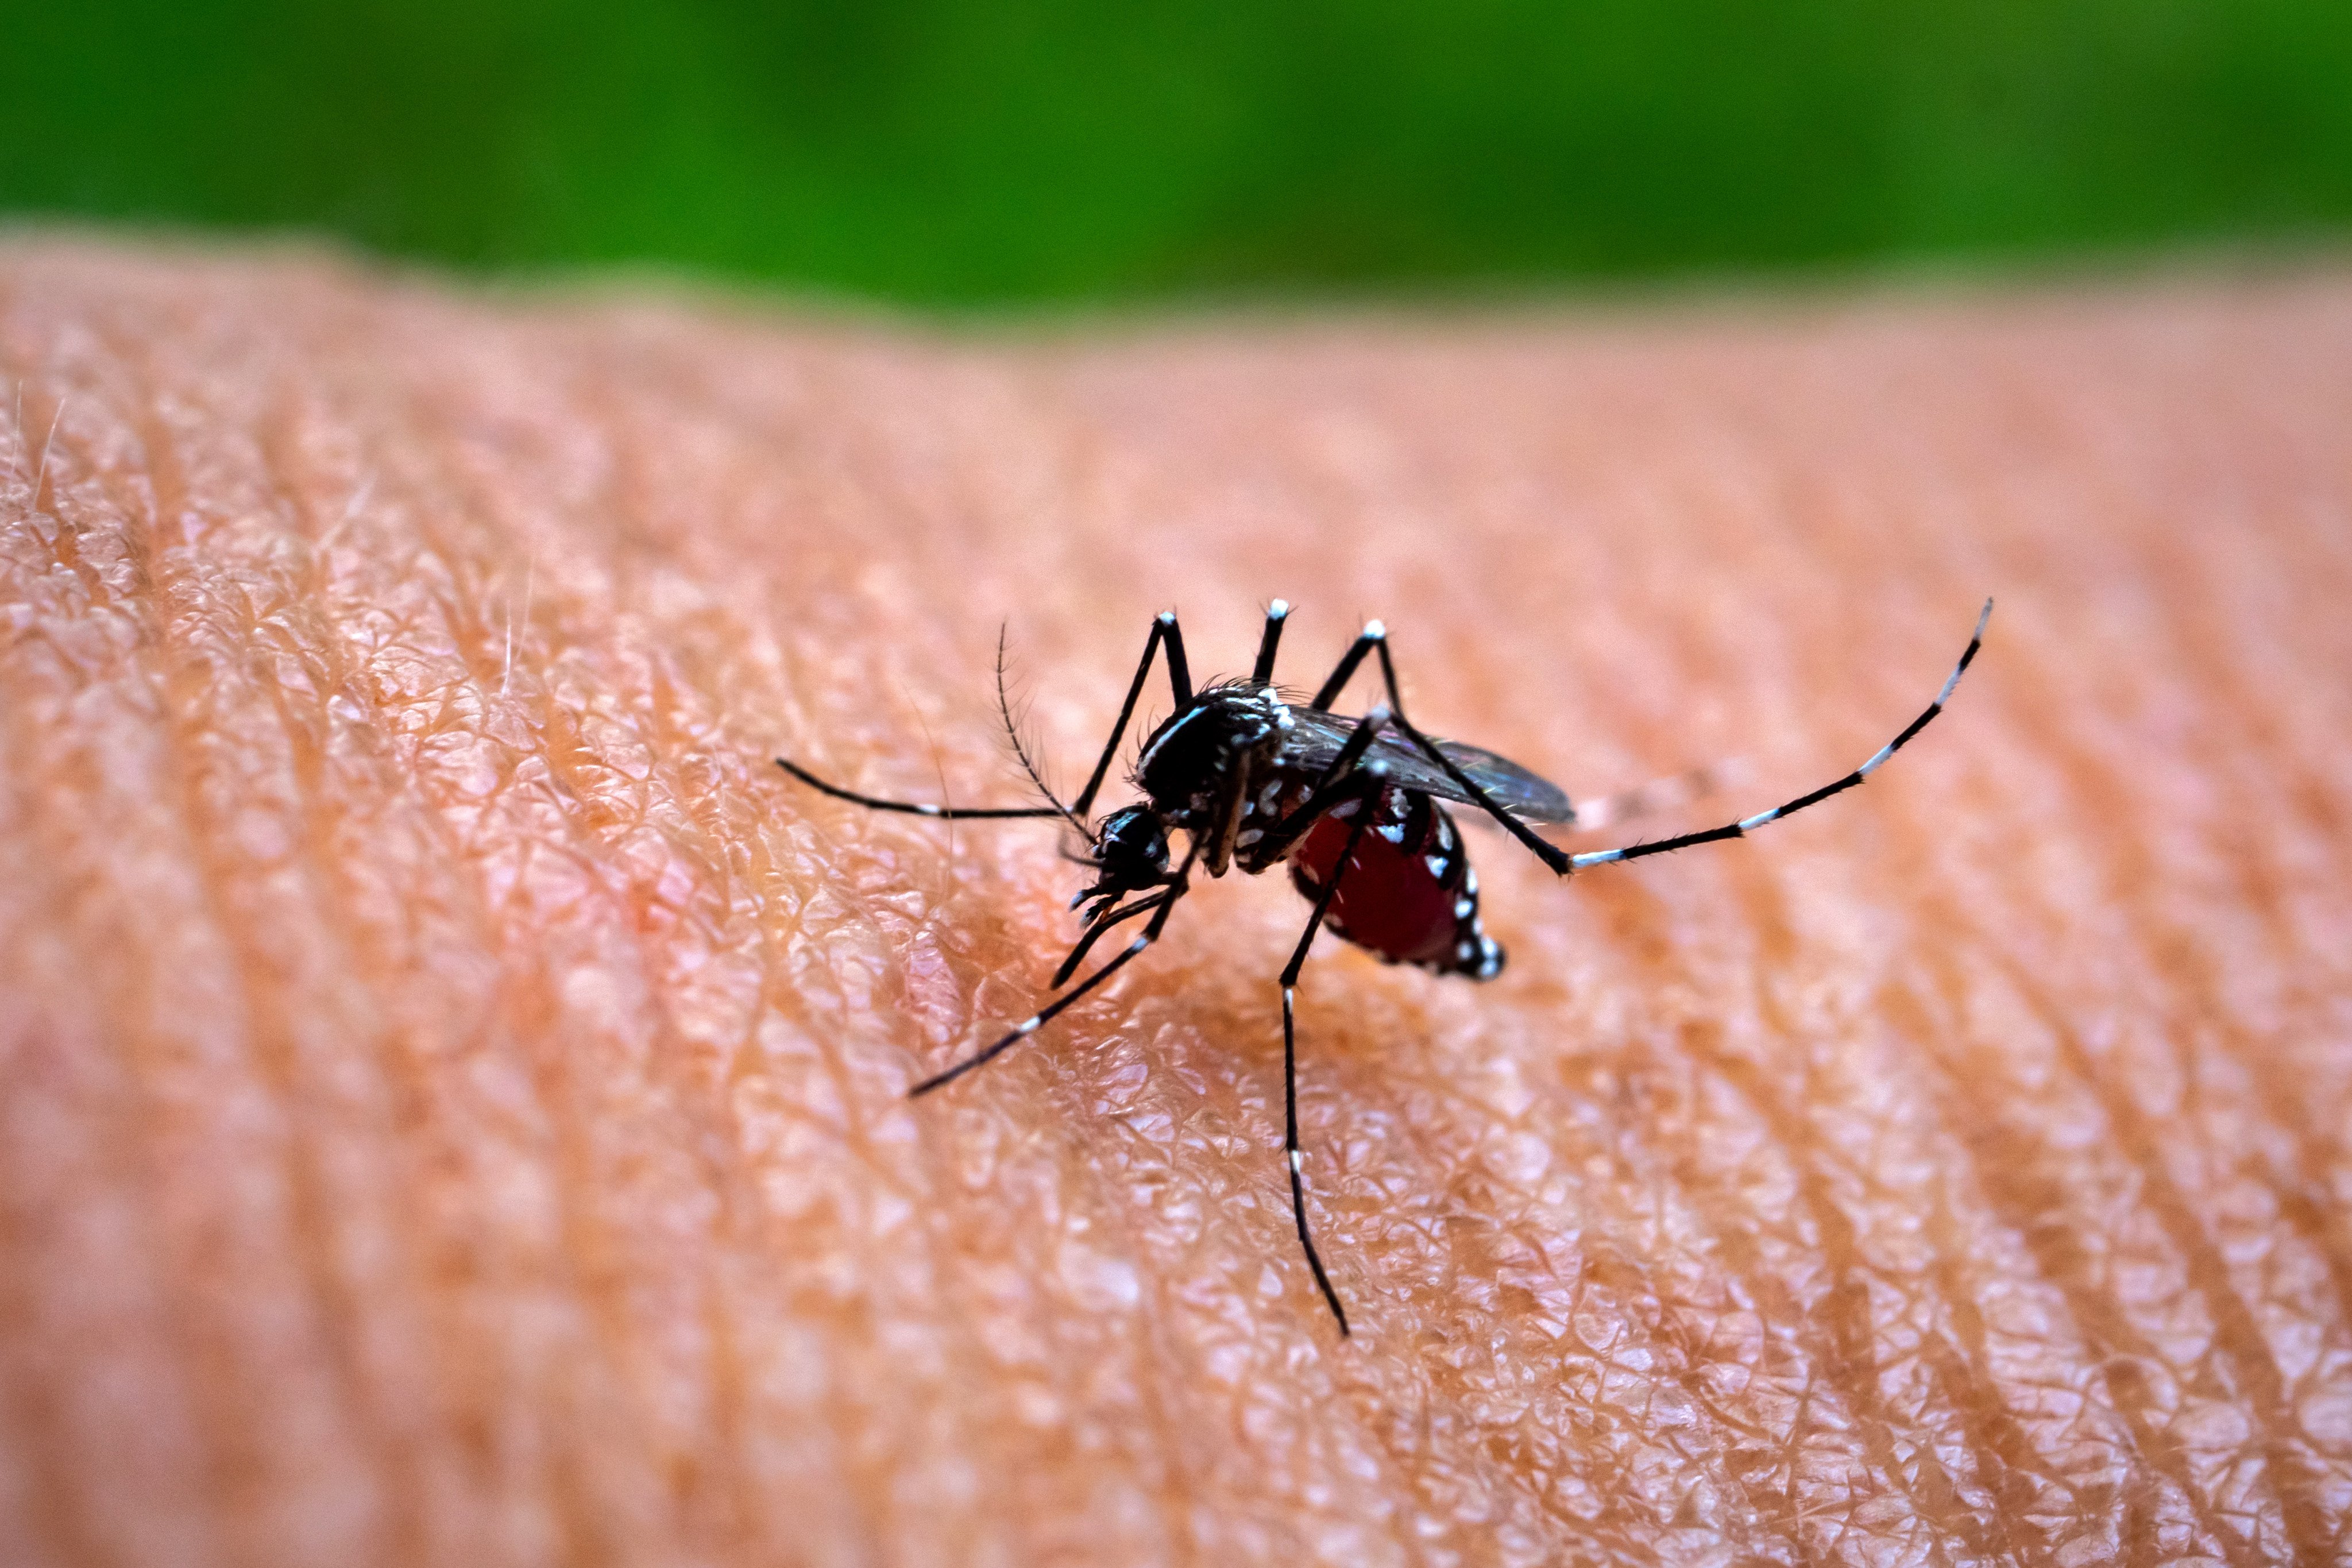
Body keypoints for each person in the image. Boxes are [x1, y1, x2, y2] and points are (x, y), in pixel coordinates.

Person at [3, 239, 2344, 1566]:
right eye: (1138, 860)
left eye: (1129, 870)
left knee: (1335, 750)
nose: (1119, 882)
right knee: (1260, 699)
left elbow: (1283, 769)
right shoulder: (1177, 777)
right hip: (1321, 786)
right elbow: (1168, 770)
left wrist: (1339, 862)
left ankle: (1457, 990)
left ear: (1181, 839)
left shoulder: (1273, 807)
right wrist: (1086, 840)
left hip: (1382, 816)